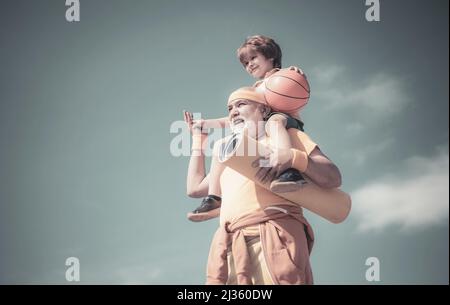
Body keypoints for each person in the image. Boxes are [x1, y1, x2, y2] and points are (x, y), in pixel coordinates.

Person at [184, 87, 342, 284]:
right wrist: (198, 141)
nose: (233, 112)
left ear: (264, 111)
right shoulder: (229, 154)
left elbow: (332, 177)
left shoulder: (284, 136)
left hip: (273, 241)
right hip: (233, 248)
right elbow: (194, 188)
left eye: (241, 104)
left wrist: (292, 157)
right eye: (230, 108)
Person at [186, 35, 313, 221]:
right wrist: (205, 124)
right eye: (246, 63)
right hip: (262, 126)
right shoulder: (254, 89)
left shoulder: (281, 76)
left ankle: (288, 171)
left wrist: (295, 73)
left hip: (284, 120)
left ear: (270, 56)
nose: (250, 64)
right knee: (224, 145)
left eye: (253, 58)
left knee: (274, 123)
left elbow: (295, 85)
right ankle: (214, 197)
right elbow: (235, 119)